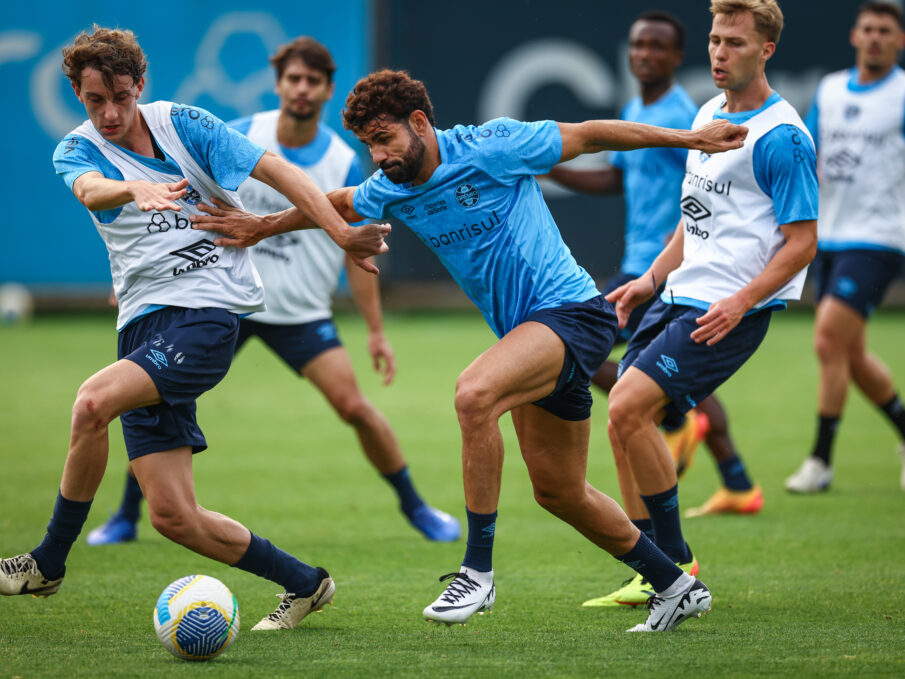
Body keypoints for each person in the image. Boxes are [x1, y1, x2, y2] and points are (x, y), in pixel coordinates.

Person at [191, 70, 748, 631]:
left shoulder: (493, 146)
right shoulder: (394, 187)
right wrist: (262, 227)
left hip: (574, 313)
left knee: (474, 394)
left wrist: (690, 139)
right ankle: (676, 584)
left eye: (384, 139)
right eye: (368, 145)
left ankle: (476, 574)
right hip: (531, 335)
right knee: (560, 492)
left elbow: (592, 134)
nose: (378, 156)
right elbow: (337, 201)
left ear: (419, 123)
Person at [0, 26, 391, 633]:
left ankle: (48, 560)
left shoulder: (186, 124)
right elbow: (91, 192)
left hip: (207, 318)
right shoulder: (75, 150)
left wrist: (339, 233)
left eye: (121, 97)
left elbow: (280, 172)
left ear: (141, 86)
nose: (109, 112)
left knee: (91, 403)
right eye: (94, 99)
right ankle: (306, 584)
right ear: (76, 91)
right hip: (143, 328)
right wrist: (133, 187)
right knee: (174, 517)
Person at [84, 36, 460, 546]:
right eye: (292, 79)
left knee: (355, 407)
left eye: (312, 81)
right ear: (279, 84)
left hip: (299, 312)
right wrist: (139, 286)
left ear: (328, 90)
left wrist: (374, 331)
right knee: (160, 392)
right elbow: (161, 208)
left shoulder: (343, 162)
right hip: (218, 300)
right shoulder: (238, 135)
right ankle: (126, 515)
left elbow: (358, 258)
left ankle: (416, 507)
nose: (301, 89)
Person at [583, 0, 818, 606]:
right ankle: (653, 569)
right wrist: (650, 280)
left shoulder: (782, 137)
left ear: (766, 50)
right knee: (621, 421)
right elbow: (695, 218)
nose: (719, 52)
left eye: (735, 42)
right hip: (680, 292)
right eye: (715, 40)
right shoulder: (708, 114)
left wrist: (742, 301)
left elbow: (801, 245)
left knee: (629, 404)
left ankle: (677, 569)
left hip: (727, 310)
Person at [548, 11, 763, 609]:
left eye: (657, 47)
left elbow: (708, 199)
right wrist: (548, 167)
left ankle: (666, 552)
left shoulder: (682, 117)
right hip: (650, 269)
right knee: (638, 383)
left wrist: (661, 271)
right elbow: (615, 179)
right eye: (637, 43)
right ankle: (733, 480)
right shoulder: (640, 109)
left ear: (675, 57)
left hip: (670, 267)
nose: (644, 53)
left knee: (582, 351)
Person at [786, 1, 905, 493]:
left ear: (898, 41)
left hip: (879, 238)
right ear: (854, 36)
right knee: (849, 354)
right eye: (868, 29)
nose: (875, 37)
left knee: (826, 339)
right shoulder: (832, 89)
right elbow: (808, 152)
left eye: (885, 30)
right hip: (828, 235)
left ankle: (820, 462)